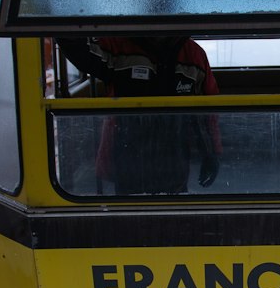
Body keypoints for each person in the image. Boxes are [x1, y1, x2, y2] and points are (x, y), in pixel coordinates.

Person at [59, 34, 221, 195]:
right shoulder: (118, 46)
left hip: (173, 161)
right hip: (127, 160)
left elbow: (207, 112)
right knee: (129, 212)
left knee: (172, 210)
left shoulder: (193, 55)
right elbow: (76, 46)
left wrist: (211, 154)